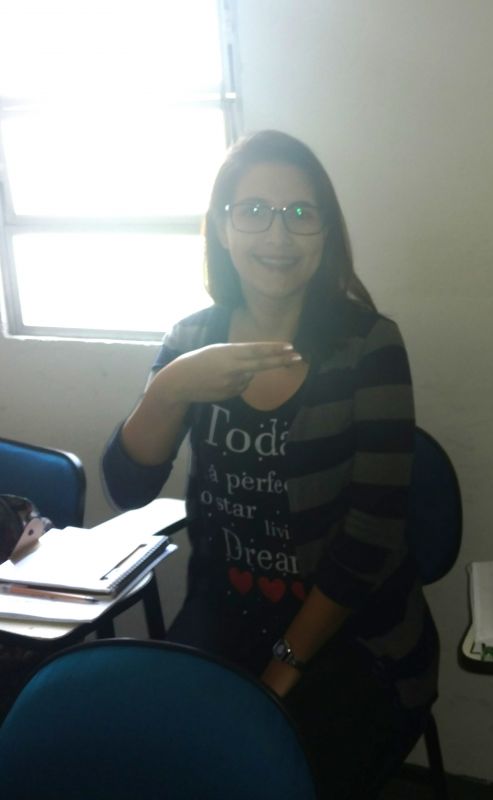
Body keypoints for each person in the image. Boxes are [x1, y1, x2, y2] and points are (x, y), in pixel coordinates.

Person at [102, 130, 439, 798]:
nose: (278, 235)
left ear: (326, 231)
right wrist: (170, 387)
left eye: (300, 212)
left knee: (275, 775)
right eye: (253, 210)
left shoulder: (368, 345)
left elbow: (371, 537)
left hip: (351, 632)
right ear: (223, 227)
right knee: (156, 763)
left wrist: (282, 668)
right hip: (223, 617)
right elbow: (127, 487)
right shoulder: (191, 339)